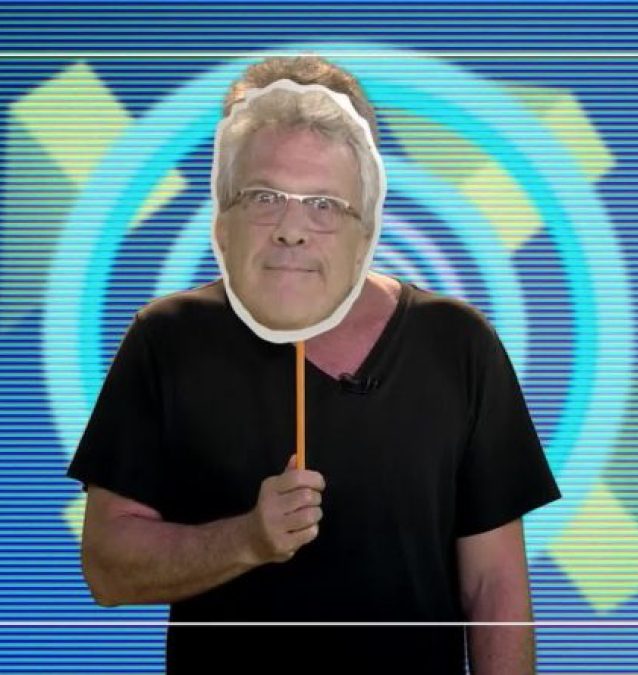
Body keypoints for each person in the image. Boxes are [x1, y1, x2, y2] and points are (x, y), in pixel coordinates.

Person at [66, 55, 561, 674]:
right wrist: (247, 540)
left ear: (366, 206)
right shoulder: (166, 339)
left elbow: (495, 588)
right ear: (225, 204)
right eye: (264, 195)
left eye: (323, 202)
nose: (292, 230)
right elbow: (108, 568)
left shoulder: (458, 344)